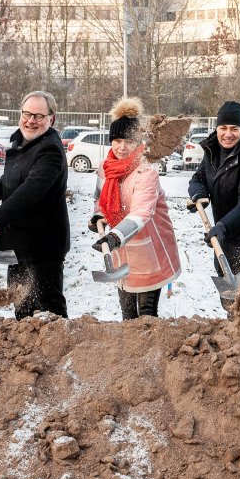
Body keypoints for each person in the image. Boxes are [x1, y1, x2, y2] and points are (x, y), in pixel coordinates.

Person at [0, 91, 70, 319]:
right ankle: (27, 354)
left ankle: (59, 353)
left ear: (51, 119)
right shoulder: (22, 143)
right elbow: (16, 178)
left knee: (49, 312)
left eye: (38, 115)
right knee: (23, 309)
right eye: (27, 114)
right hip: (19, 244)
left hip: (43, 247)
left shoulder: (50, 151)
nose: (31, 120)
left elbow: (31, 189)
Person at [88, 98, 181, 319]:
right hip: (121, 249)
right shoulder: (106, 168)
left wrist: (114, 237)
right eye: (117, 140)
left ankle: (154, 352)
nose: (122, 147)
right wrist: (98, 216)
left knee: (147, 315)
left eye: (128, 141)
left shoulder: (145, 171)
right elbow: (100, 199)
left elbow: (142, 212)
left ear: (138, 142)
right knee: (128, 313)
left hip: (149, 249)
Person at [187, 101, 240, 310]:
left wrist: (223, 226)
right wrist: (199, 193)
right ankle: (234, 337)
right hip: (225, 239)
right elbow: (198, 178)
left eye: (234, 128)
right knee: (231, 305)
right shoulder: (213, 152)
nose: (228, 134)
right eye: (223, 128)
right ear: (216, 128)